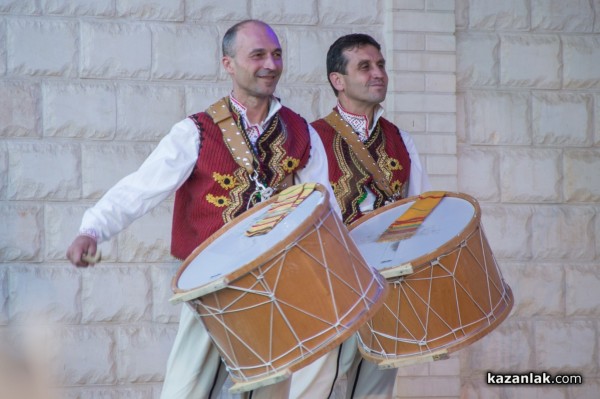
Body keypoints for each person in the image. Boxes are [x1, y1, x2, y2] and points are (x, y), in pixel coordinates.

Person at [66, 19, 338, 399]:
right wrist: (92, 229)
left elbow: (322, 205)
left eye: (276, 55)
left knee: (272, 389)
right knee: (190, 388)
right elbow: (143, 186)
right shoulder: (197, 130)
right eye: (257, 54)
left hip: (278, 281)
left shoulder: (301, 131)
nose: (271, 64)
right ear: (228, 64)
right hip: (211, 284)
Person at [290, 34, 431, 398]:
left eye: (380, 65)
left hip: (387, 281)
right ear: (338, 81)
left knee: (376, 386)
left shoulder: (400, 138)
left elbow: (418, 209)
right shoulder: (310, 137)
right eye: (364, 66)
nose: (378, 73)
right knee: (316, 384)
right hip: (331, 284)